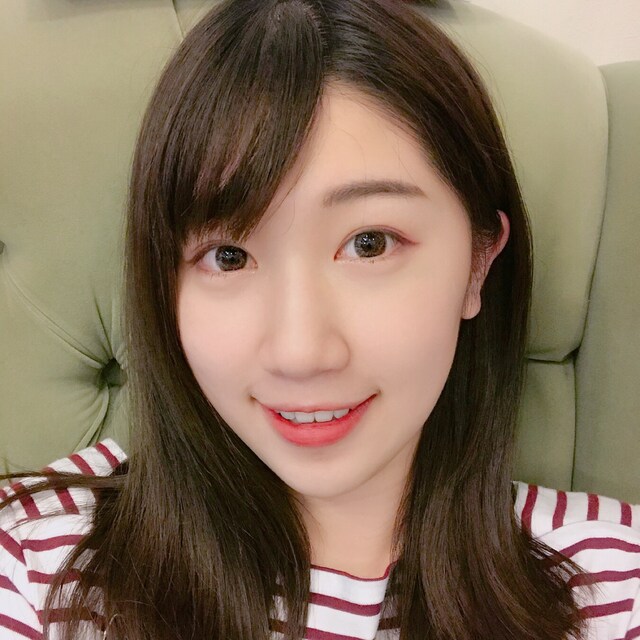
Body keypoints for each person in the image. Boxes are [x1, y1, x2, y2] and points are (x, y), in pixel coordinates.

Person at [1, 0, 638, 638]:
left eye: (369, 244)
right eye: (229, 256)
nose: (300, 352)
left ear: (478, 264)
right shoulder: (33, 560)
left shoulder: (616, 585)